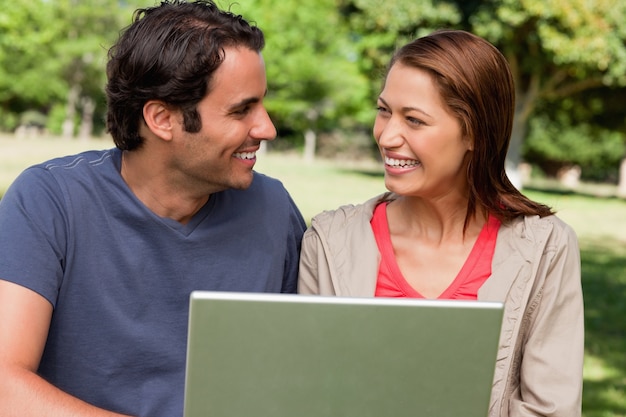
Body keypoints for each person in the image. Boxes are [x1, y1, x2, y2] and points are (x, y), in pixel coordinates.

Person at [0, 1, 306, 416]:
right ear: (162, 118)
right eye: (241, 110)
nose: (267, 128)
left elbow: (301, 374)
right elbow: (6, 385)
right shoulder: (49, 201)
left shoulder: (273, 210)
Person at [298, 30, 584, 416]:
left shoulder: (547, 248)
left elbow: (551, 409)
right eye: (384, 111)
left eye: (414, 120)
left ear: (475, 134)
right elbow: (310, 397)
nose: (386, 135)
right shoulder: (329, 242)